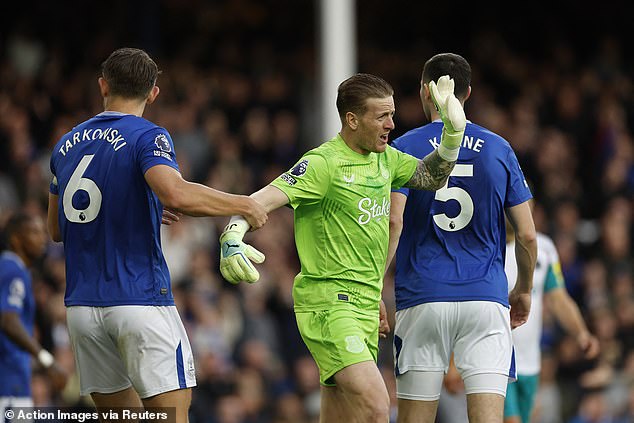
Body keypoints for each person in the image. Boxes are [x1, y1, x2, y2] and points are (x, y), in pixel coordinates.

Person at [216, 72, 466, 422]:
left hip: (364, 306)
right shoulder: (323, 164)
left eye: (392, 114)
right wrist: (233, 231)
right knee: (378, 406)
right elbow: (265, 197)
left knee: (339, 416)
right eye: (382, 116)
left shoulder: (387, 159)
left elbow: (432, 177)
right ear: (352, 119)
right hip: (330, 306)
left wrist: (452, 136)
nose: (391, 124)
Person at [46, 47, 267, 423]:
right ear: (153, 93)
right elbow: (176, 193)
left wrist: (135, 204)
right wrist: (243, 203)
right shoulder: (148, 135)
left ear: (103, 86)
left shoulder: (65, 144)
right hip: (139, 300)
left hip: (82, 308)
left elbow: (56, 229)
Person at [385, 52, 537, 423]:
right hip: (485, 298)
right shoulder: (499, 148)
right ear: (467, 93)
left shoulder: (402, 147)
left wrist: (374, 287)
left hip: (422, 296)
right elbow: (528, 236)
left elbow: (394, 221)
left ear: (425, 91)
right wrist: (524, 289)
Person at [503, 215, 600, 423]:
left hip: (530, 362)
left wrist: (581, 333)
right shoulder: (488, 245)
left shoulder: (544, 247)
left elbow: (558, 298)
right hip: (499, 358)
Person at [0, 212, 67, 416]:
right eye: (34, 232)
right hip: (9, 378)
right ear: (16, 239)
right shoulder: (13, 271)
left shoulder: (9, 268)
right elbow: (8, 320)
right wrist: (47, 360)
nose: (42, 238)